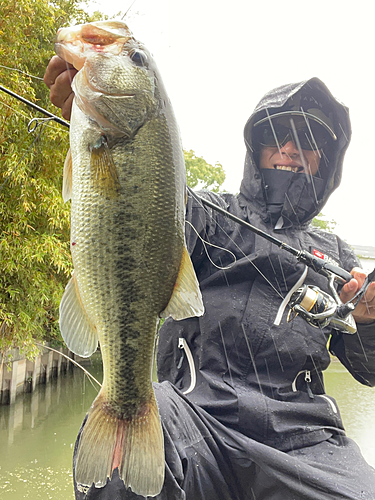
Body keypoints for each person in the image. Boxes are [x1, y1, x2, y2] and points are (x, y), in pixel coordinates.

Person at [45, 56, 375, 499]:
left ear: (325, 161)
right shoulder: (204, 216)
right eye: (277, 135)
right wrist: (98, 123)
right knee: (127, 455)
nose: (291, 148)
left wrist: (369, 320)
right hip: (195, 417)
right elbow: (143, 198)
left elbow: (367, 369)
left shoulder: (337, 257)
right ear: (256, 146)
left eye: (310, 140)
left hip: (307, 444)